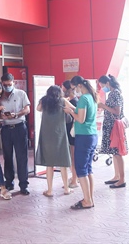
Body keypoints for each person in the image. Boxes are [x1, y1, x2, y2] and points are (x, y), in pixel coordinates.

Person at [64, 75, 98, 210]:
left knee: (81, 169)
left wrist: (70, 112)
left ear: (79, 86)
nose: (74, 91)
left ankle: (87, 201)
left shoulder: (84, 98)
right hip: (92, 135)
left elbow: (80, 119)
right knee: (88, 169)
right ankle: (89, 198)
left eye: (74, 88)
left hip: (84, 136)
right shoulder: (92, 97)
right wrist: (72, 109)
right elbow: (81, 113)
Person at [35, 85, 73, 197]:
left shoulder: (44, 101)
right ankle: (66, 189)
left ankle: (50, 190)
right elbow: (73, 108)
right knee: (63, 163)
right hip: (60, 134)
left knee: (49, 163)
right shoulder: (62, 101)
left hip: (47, 135)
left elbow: (38, 109)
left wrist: (42, 101)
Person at [0, 73, 31, 195]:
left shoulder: (21, 94)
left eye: (9, 84)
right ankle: (9, 183)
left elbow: (27, 109)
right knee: (7, 157)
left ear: (13, 83)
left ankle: (23, 185)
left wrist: (16, 114)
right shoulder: (0, 96)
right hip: (6, 129)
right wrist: (0, 115)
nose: (7, 87)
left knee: (21, 157)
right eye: (5, 85)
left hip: (19, 128)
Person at [98, 74, 127, 189]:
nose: (102, 88)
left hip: (114, 126)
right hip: (110, 125)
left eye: (102, 85)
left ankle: (122, 179)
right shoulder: (112, 93)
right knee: (114, 153)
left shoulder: (115, 93)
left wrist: (103, 106)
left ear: (107, 83)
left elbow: (117, 111)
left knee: (117, 153)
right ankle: (117, 176)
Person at [62, 80, 79, 188]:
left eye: (63, 88)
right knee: (71, 156)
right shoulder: (73, 100)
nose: (62, 90)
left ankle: (74, 179)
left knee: (73, 157)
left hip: (72, 133)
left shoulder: (74, 102)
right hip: (70, 132)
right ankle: (74, 178)